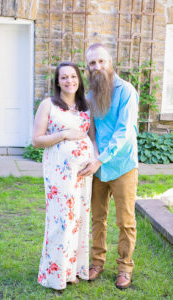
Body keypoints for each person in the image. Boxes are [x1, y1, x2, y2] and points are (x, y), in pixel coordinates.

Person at [78, 43, 139, 289]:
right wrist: (94, 156)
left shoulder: (126, 91)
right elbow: (91, 133)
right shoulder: (90, 97)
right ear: (88, 68)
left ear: (110, 61)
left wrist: (100, 159)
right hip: (98, 167)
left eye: (101, 61)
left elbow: (124, 132)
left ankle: (125, 267)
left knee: (125, 220)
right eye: (92, 63)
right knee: (98, 218)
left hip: (122, 165)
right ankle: (96, 262)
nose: (97, 67)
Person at [33, 62, 98, 290]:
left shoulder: (85, 106)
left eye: (73, 76)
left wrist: (95, 160)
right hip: (59, 174)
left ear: (79, 79)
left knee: (78, 220)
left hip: (83, 174)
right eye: (64, 77)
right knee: (61, 221)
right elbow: (37, 140)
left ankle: (72, 270)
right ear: (57, 81)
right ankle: (55, 275)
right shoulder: (48, 105)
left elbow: (92, 138)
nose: (69, 81)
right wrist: (64, 134)